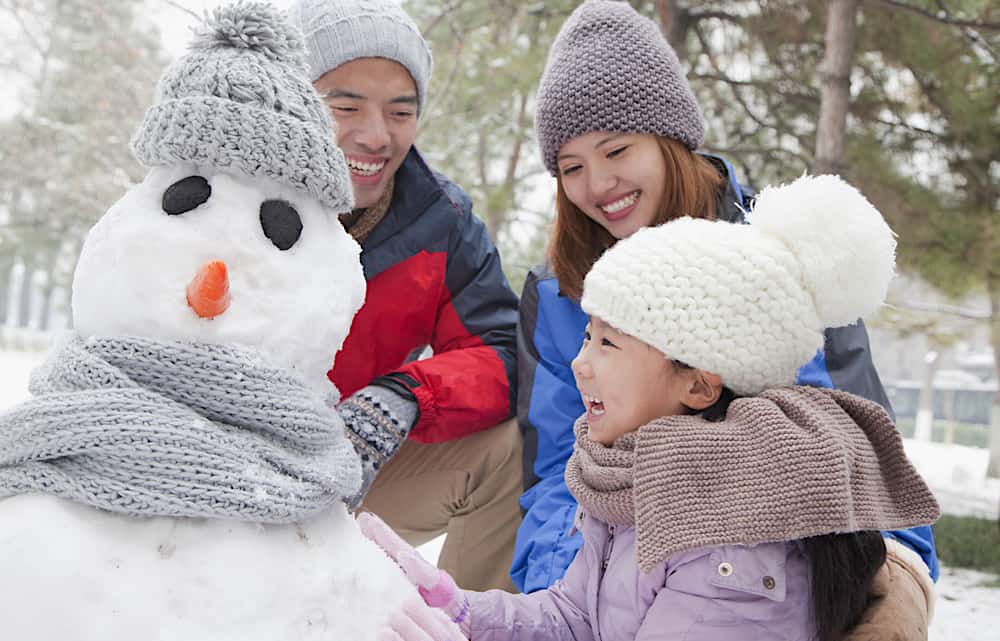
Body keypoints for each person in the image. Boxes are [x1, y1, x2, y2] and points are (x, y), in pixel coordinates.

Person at [359, 173, 940, 641]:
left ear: (699, 386)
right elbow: (572, 620)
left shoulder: (731, 538)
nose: (582, 363)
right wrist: (460, 612)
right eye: (587, 336)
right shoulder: (630, 480)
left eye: (609, 343)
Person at [513, 0, 939, 598]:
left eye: (616, 151)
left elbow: (857, 446)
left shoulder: (779, 258)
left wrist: (896, 583)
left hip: (771, 578)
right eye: (571, 167)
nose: (598, 185)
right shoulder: (559, 295)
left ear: (669, 140)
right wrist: (560, 600)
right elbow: (554, 473)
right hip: (614, 579)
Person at [288, 0, 522, 592]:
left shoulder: (440, 222)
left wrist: (408, 394)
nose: (375, 135)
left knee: (511, 449)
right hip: (213, 477)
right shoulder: (227, 195)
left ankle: (469, 626)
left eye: (400, 110)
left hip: (352, 476)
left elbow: (502, 351)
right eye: (345, 106)